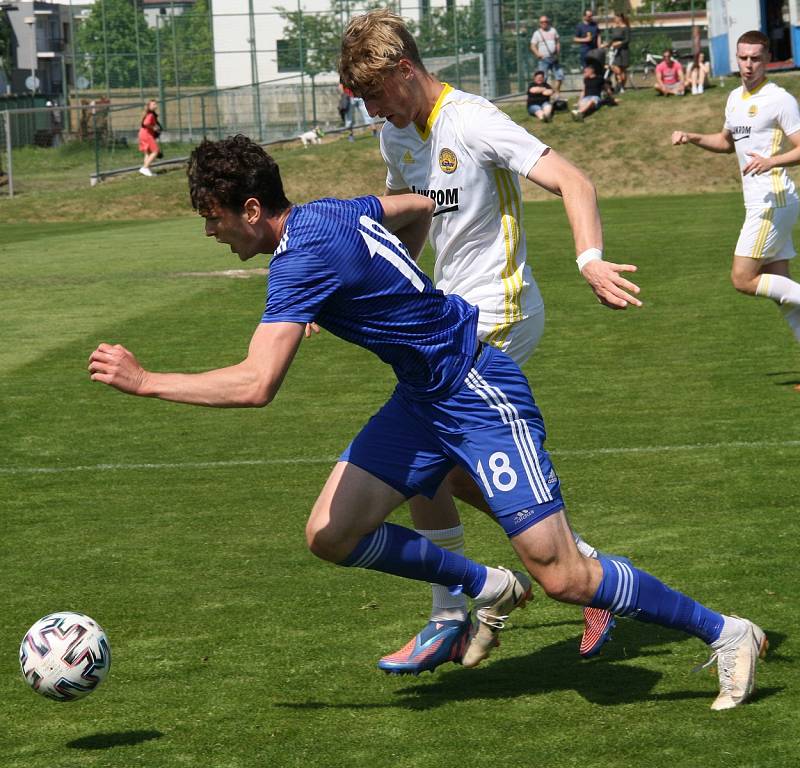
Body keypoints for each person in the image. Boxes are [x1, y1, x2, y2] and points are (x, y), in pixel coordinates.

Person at [88, 135, 767, 711]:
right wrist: (385, 287)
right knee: (331, 533)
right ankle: (486, 584)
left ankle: (726, 631)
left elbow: (257, 383)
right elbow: (414, 207)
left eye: (213, 218)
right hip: (420, 400)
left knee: (563, 577)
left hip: (474, 389)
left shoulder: (297, 262)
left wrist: (146, 382)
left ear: (253, 209)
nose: (212, 232)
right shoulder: (330, 212)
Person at [339, 9, 639, 675]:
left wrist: (589, 257)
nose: (375, 113)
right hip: (449, 317)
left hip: (500, 311)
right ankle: (579, 573)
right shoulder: (397, 139)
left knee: (421, 458)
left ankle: (454, 612)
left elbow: (574, 179)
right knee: (440, 467)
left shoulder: (471, 120)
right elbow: (408, 223)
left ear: (405, 71)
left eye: (377, 96)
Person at [672, 30, 800, 362]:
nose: (748, 65)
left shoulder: (779, 99)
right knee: (783, 294)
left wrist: (771, 160)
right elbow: (727, 143)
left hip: (772, 201)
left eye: (755, 58)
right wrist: (692, 136)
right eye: (743, 58)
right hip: (761, 202)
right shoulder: (733, 98)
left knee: (743, 278)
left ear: (767, 60)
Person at [530, 14, 563, 98]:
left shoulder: (553, 30)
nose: (544, 23)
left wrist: (557, 53)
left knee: (559, 75)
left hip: (554, 57)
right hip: (543, 59)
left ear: (548, 22)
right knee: (542, 78)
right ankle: (543, 95)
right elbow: (532, 45)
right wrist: (538, 54)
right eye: (542, 22)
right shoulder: (537, 33)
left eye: (545, 21)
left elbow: (557, 42)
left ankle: (556, 94)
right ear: (539, 23)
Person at [604, 13, 631, 93]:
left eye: (615, 18)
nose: (614, 19)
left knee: (622, 70)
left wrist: (620, 43)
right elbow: (612, 40)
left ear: (620, 18)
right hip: (615, 51)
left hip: (623, 51)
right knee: (616, 69)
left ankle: (622, 87)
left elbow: (627, 40)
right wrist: (607, 44)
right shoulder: (615, 28)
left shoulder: (626, 28)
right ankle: (619, 85)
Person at [138, 99, 162, 177]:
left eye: (156, 104)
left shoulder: (149, 113)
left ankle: (147, 170)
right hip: (147, 134)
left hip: (142, 133)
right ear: (149, 106)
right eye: (153, 104)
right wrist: (154, 128)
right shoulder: (151, 114)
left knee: (147, 152)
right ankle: (144, 168)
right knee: (155, 151)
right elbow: (146, 123)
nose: (156, 105)